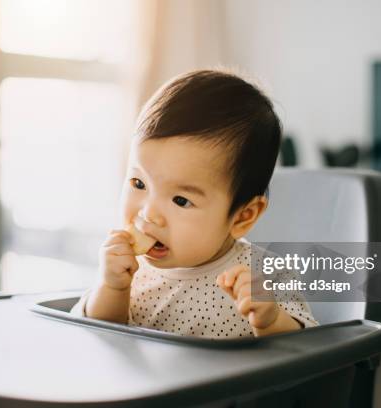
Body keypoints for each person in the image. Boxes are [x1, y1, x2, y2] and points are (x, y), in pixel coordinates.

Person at [71, 69, 317, 338]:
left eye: (180, 200)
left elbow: (309, 350)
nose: (149, 213)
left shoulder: (262, 274)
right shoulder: (128, 270)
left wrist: (271, 321)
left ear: (242, 217)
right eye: (138, 184)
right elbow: (99, 338)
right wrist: (112, 288)